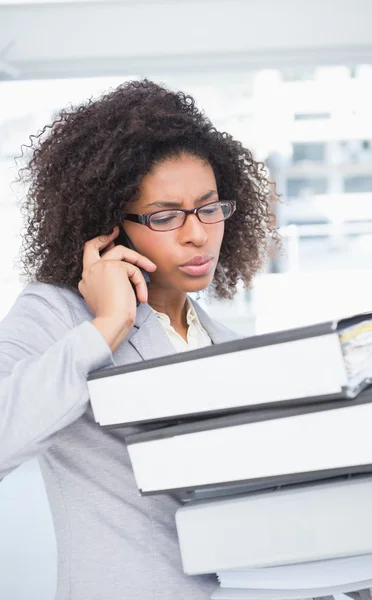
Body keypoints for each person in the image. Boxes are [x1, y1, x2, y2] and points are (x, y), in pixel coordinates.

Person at [0, 79, 276, 600]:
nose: (197, 234)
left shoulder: (229, 344)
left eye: (210, 207)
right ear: (110, 227)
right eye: (166, 216)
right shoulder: (59, 317)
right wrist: (105, 329)